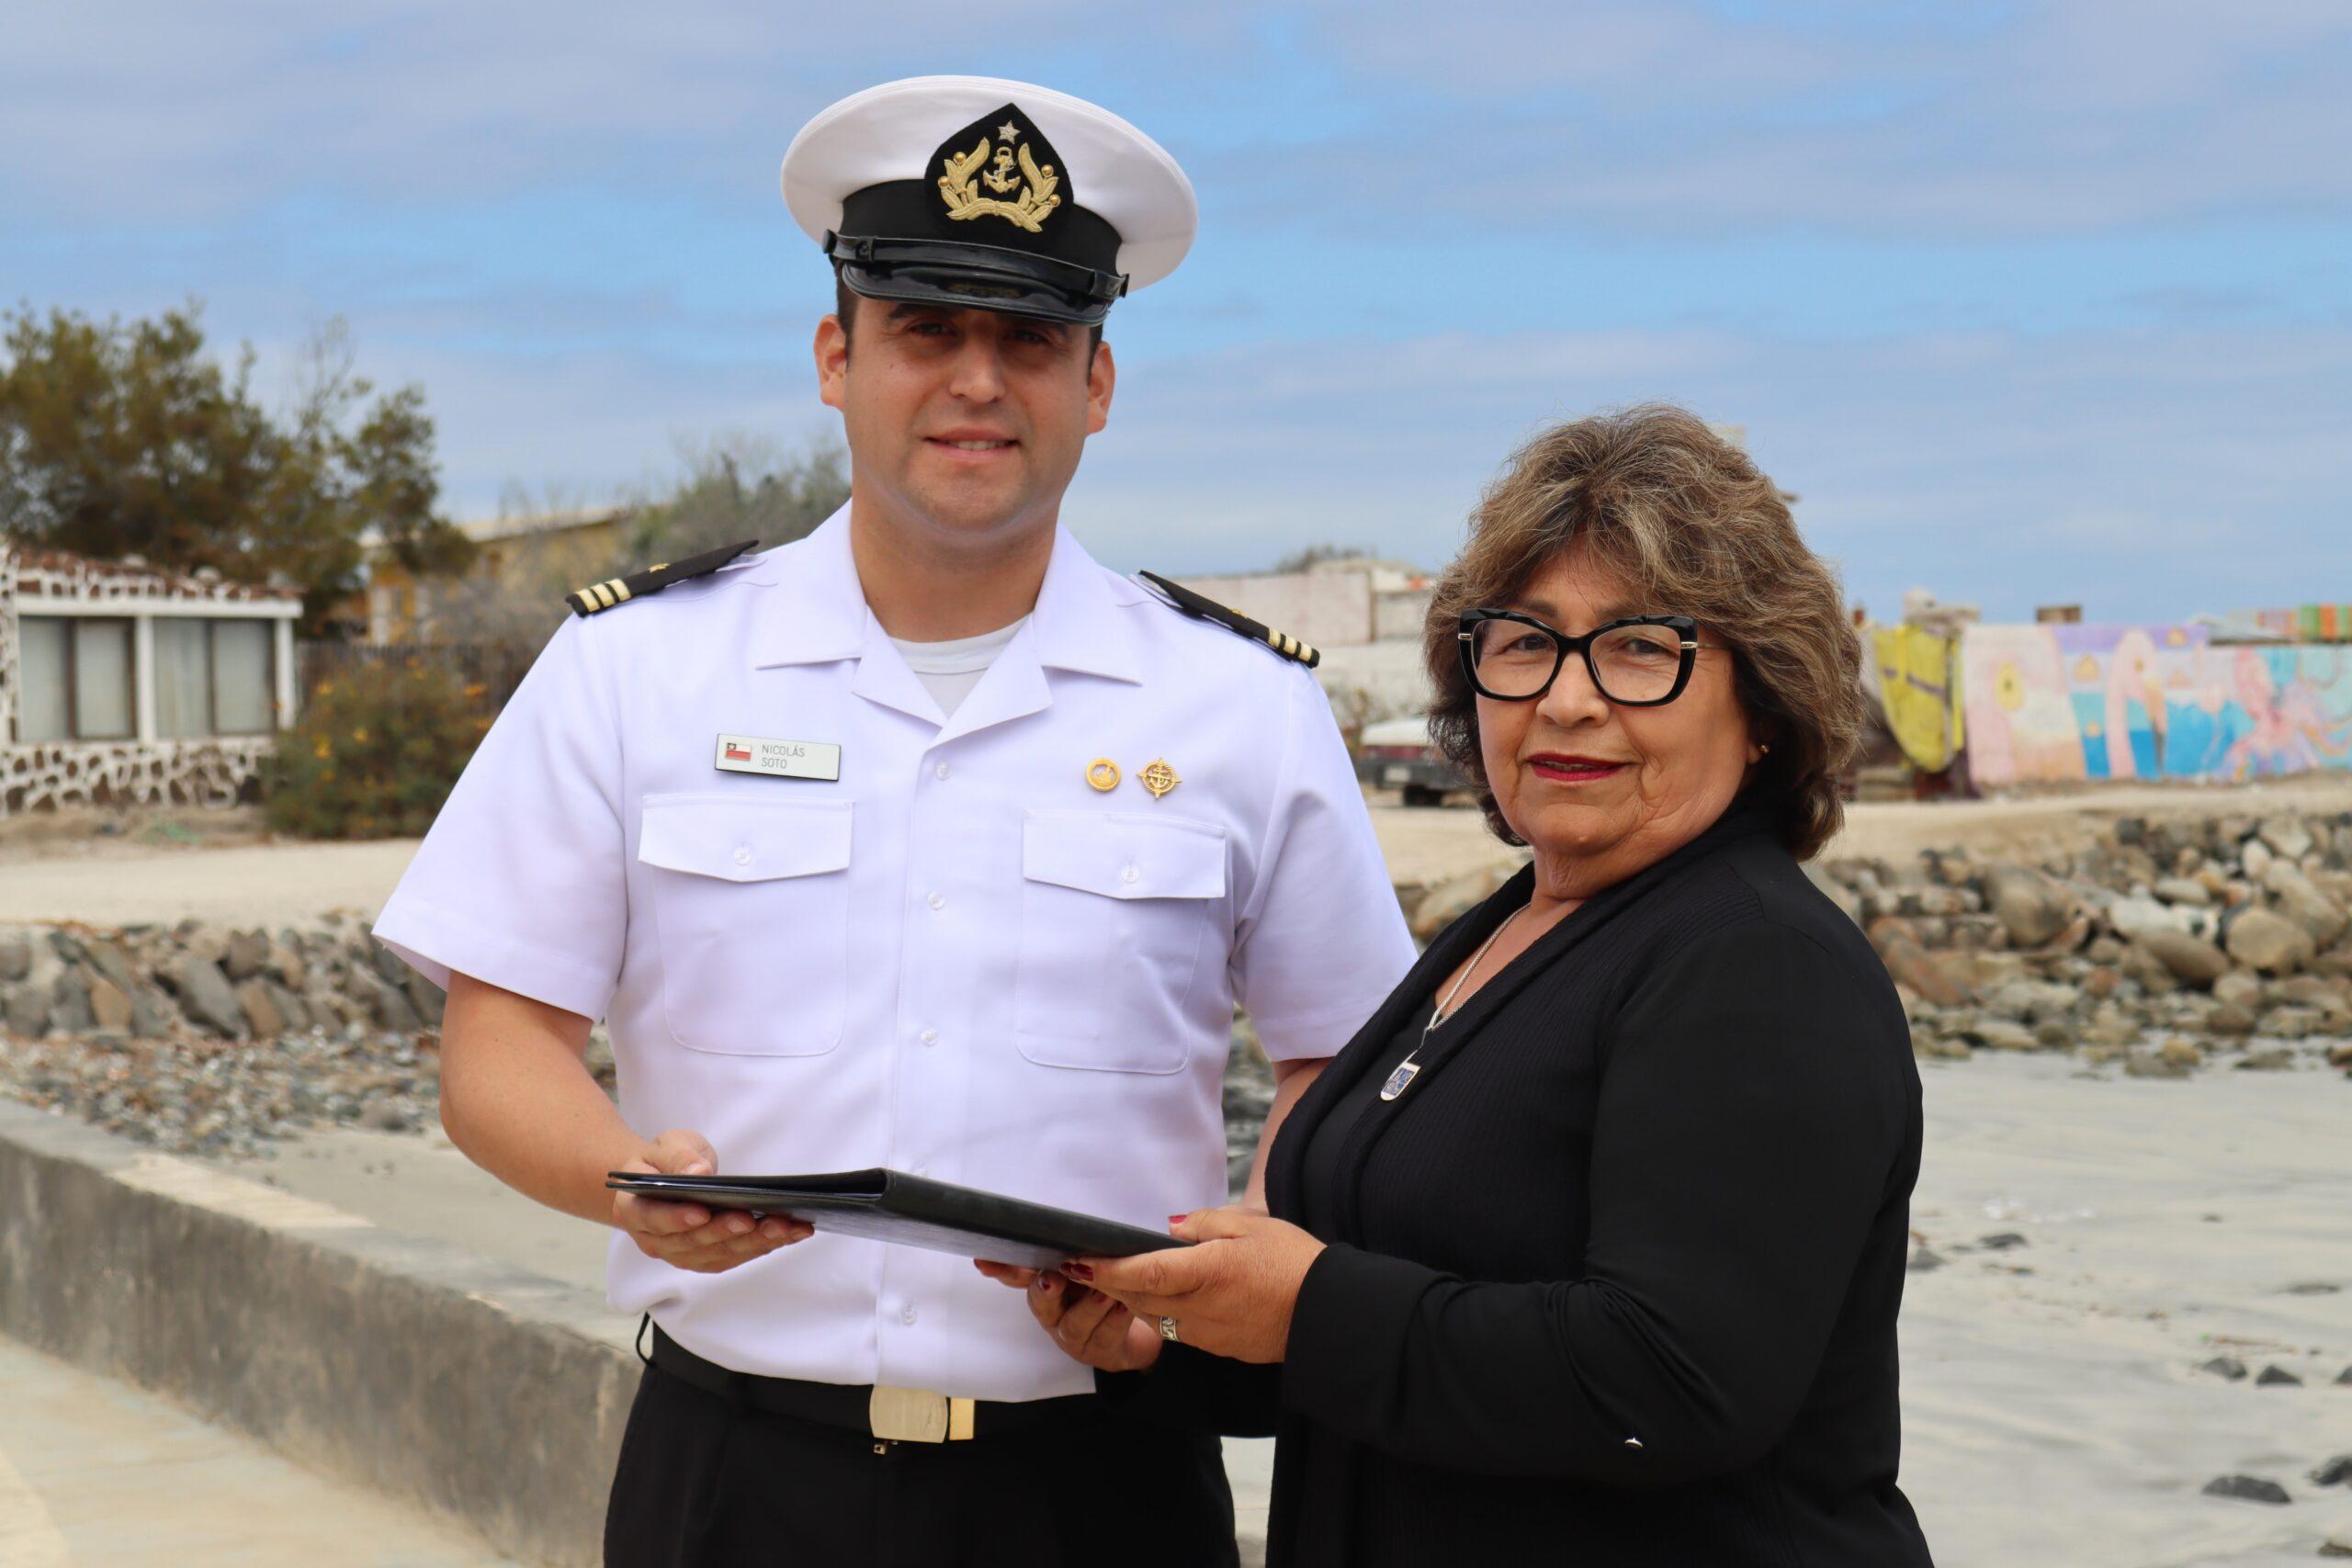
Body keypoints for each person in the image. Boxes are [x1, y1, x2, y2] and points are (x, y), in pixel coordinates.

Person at [371, 74, 1415, 1568]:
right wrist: (628, 1186)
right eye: (926, 329)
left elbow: (1343, 1067)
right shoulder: (636, 669)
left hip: (1103, 1481)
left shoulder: (1241, 706)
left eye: (1030, 340)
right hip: (736, 1479)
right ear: (835, 358)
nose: (977, 381)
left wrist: (1221, 1269)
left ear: (1098, 383)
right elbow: (496, 1042)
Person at [989, 405, 1937, 1565]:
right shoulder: (1504, 932)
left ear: (1764, 710)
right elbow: (1393, 1337)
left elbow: (1669, 1384)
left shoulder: (1756, 963)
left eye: (1642, 648)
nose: (1568, 698)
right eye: (1525, 642)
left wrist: (1307, 1306)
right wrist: (1164, 1340)